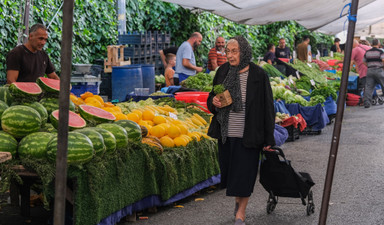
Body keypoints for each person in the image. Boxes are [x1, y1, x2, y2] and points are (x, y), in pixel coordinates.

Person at [207, 36, 275, 225]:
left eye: (234, 51)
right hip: (226, 134)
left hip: (249, 133)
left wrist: (269, 139)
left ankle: (241, 213)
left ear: (244, 51)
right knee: (232, 174)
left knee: (245, 174)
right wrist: (213, 102)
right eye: (227, 51)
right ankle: (238, 204)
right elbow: (212, 97)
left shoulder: (258, 75)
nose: (230, 55)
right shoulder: (222, 71)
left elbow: (268, 108)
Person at [362, 39, 384, 108]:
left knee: (368, 87)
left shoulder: (367, 52)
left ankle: (367, 103)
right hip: (379, 70)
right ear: (378, 44)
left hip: (370, 70)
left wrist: (369, 66)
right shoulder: (380, 51)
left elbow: (364, 62)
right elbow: (383, 60)